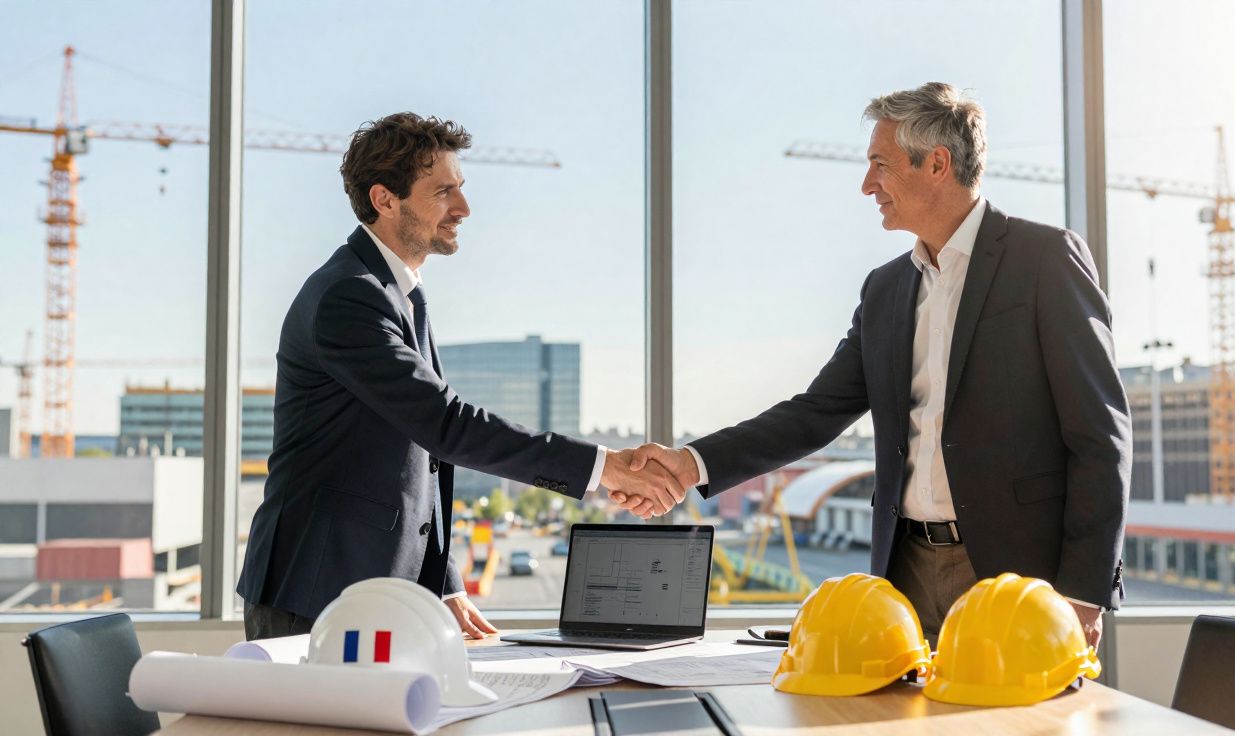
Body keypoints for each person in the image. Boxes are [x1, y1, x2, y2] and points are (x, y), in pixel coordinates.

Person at [617, 83, 1130, 648]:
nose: (867, 186)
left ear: (937, 163)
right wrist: (690, 464)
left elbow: (1100, 434)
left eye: (879, 165)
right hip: (903, 574)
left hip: (1018, 579)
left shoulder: (1044, 259)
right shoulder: (885, 289)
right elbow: (815, 413)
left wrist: (1084, 593)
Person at [237, 112, 684, 641]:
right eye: (443, 191)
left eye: (461, 189)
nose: (464, 208)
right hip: (315, 593)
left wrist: (442, 581)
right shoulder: (348, 297)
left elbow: (423, 461)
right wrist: (604, 467)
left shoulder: (395, 295)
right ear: (385, 199)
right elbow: (446, 425)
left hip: (372, 595)